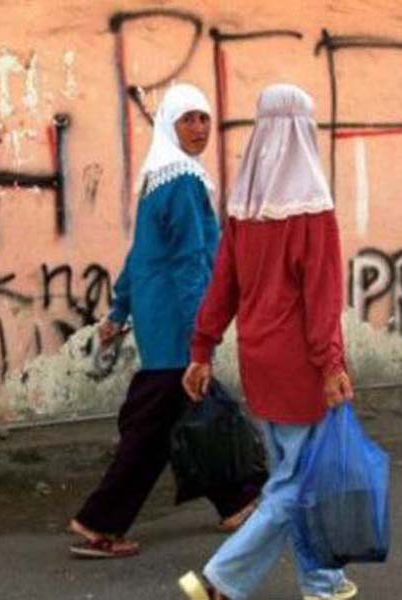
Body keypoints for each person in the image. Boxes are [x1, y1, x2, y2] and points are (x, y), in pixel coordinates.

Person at [178, 84, 358, 600]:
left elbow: (222, 287)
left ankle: (323, 580)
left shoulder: (244, 208)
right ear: (305, 130)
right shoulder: (314, 212)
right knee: (298, 485)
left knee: (293, 474)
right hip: (301, 363)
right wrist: (331, 364)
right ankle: (219, 581)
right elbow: (322, 301)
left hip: (258, 357)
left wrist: (202, 349)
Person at [68, 83, 262, 559]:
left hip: (160, 320)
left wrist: (120, 309)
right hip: (179, 323)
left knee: (188, 411)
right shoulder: (184, 181)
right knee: (162, 424)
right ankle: (99, 523)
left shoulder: (156, 177)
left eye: (204, 119)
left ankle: (237, 501)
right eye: (187, 120)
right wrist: (204, 333)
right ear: (169, 125)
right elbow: (194, 262)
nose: (198, 129)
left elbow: (141, 256)